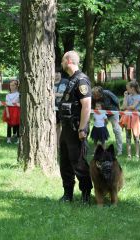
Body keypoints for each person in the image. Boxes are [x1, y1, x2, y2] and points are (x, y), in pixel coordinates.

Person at [58, 50, 93, 204]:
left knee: (78, 161)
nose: (61, 63)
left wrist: (82, 128)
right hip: (66, 128)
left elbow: (86, 106)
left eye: (63, 60)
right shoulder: (71, 79)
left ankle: (86, 195)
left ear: (69, 61)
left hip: (76, 128)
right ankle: (68, 194)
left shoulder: (81, 80)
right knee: (65, 162)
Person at [92, 86, 123, 156]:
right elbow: (93, 106)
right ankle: (100, 150)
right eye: (94, 95)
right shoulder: (93, 97)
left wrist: (119, 112)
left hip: (113, 113)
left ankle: (119, 150)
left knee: (116, 130)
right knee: (100, 131)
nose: (94, 97)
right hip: (101, 115)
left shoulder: (107, 93)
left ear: (100, 94)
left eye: (96, 96)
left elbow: (117, 101)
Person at [119, 81, 140, 159]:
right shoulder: (128, 96)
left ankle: (137, 154)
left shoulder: (139, 96)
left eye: (128, 89)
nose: (127, 90)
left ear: (132, 88)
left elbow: (133, 107)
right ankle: (129, 155)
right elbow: (123, 106)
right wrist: (125, 97)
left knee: (136, 136)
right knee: (128, 136)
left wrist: (126, 107)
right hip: (127, 117)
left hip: (135, 118)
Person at [2, 79, 20, 144]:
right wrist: (7, 113)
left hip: (16, 111)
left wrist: (17, 104)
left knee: (18, 125)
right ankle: (8, 139)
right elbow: (6, 104)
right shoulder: (8, 95)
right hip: (9, 110)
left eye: (13, 85)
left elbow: (19, 103)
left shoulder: (19, 94)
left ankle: (18, 139)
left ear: (17, 86)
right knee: (9, 125)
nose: (11, 87)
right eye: (10, 85)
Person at [54, 71, 69, 147]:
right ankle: (56, 144)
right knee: (55, 126)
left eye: (58, 72)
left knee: (62, 126)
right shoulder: (48, 82)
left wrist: (57, 95)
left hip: (63, 107)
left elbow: (68, 93)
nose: (57, 74)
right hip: (53, 108)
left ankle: (60, 144)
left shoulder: (65, 82)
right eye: (55, 72)